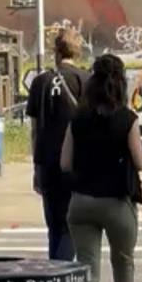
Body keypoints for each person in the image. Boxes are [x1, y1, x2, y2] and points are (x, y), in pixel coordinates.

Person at [62, 53, 142, 282]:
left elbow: (64, 163)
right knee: (122, 261)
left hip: (81, 203)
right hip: (117, 204)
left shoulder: (78, 119)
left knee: (87, 266)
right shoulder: (127, 118)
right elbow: (139, 162)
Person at [26, 30, 86, 260]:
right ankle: (60, 277)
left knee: (54, 227)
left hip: (46, 163)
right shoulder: (85, 80)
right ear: (77, 52)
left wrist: (35, 167)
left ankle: (54, 274)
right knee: (70, 226)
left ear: (56, 51)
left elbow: (34, 130)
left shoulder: (40, 82)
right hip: (75, 163)